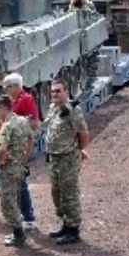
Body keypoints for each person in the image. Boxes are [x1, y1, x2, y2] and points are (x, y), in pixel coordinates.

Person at [44, 78, 90, 245]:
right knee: (57, 194)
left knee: (69, 194)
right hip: (55, 158)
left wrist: (81, 149)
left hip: (68, 158)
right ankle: (65, 224)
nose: (55, 94)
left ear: (66, 91)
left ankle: (73, 230)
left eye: (58, 91)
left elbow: (83, 132)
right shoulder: (53, 108)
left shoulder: (73, 110)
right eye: (53, 91)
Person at [0, 95, 35, 247]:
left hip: (10, 169)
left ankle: (19, 234)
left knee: (7, 202)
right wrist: (25, 158)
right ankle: (20, 229)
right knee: (16, 197)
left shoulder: (7, 125)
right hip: (20, 166)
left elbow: (2, 148)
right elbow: (31, 140)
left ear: (4, 108)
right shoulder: (23, 121)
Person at [2, 73, 40, 230]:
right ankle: (23, 215)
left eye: (7, 87)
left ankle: (28, 217)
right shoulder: (13, 100)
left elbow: (35, 123)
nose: (5, 90)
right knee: (17, 184)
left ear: (17, 86)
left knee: (21, 184)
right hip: (13, 146)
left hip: (20, 147)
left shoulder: (26, 99)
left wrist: (16, 126)